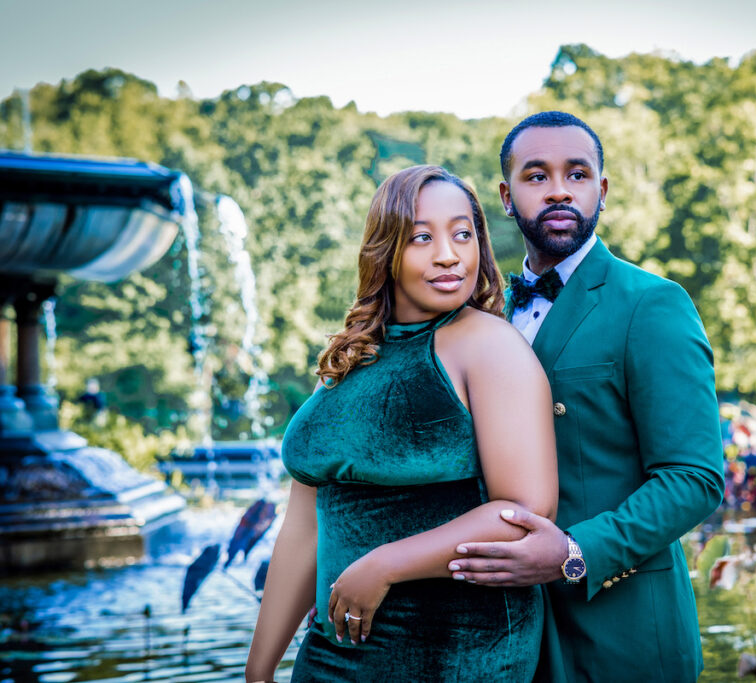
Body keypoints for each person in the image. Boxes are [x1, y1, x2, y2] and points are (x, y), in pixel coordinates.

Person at [245, 165, 559, 682]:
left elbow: (524, 513)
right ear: (384, 249)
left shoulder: (488, 344)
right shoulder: (353, 357)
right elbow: (304, 528)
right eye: (421, 237)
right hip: (332, 653)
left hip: (454, 650)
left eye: (463, 234)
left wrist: (385, 564)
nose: (448, 254)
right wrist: (259, 671)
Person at [448, 112, 725, 683]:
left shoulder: (652, 304)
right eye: (536, 175)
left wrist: (575, 552)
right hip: (503, 635)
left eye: (577, 174)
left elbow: (694, 478)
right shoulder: (481, 317)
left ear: (602, 189)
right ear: (506, 195)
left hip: (621, 633)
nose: (558, 189)